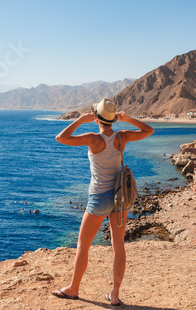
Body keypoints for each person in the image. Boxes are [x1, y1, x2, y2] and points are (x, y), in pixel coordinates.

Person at [51, 98, 154, 306]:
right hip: (120, 197)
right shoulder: (122, 137)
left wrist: (80, 120)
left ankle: (73, 289)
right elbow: (148, 130)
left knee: (83, 245)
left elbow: (61, 138)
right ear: (114, 119)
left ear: (96, 118)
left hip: (98, 198)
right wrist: (129, 119)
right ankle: (114, 295)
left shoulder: (92, 139)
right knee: (119, 247)